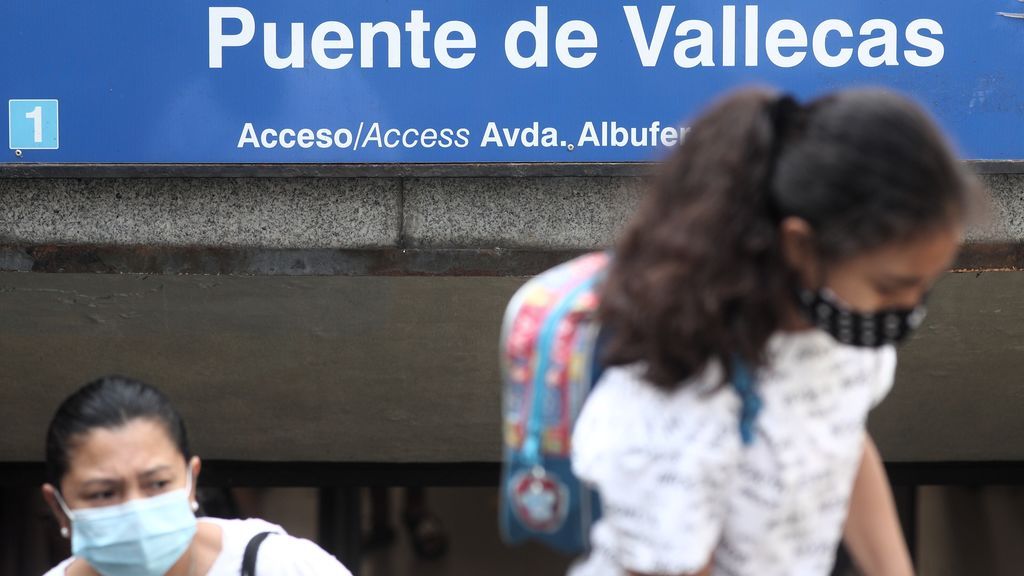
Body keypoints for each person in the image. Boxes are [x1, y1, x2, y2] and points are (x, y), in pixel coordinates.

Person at [569, 88, 976, 576]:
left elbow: (840, 439)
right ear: (801, 246)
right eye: (892, 287)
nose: (910, 309)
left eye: (925, 286)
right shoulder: (681, 391)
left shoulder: (839, 331)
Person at [39, 375, 353, 576]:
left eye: (157, 484)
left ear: (191, 481)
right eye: (103, 493)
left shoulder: (279, 566)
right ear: (58, 506)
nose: (136, 510)